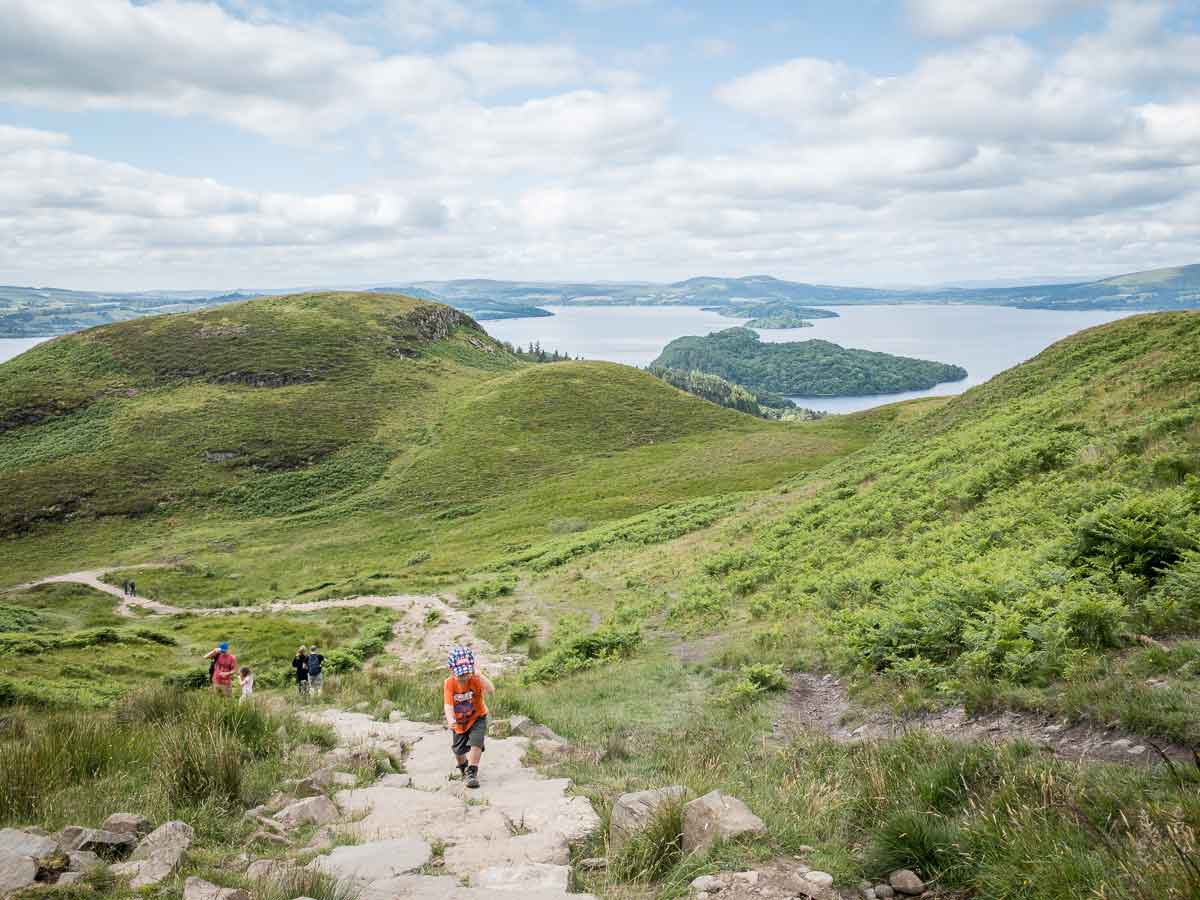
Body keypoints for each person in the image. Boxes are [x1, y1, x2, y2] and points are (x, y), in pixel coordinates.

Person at [442, 646, 494, 789]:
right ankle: (463, 766)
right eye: (460, 674)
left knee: (476, 743)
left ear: (470, 670)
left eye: (466, 673)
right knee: (459, 751)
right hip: (458, 722)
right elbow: (448, 705)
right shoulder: (449, 683)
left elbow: (491, 690)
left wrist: (479, 675)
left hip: (478, 717)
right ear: (452, 670)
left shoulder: (476, 679)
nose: (464, 678)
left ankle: (472, 772)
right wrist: (450, 719)